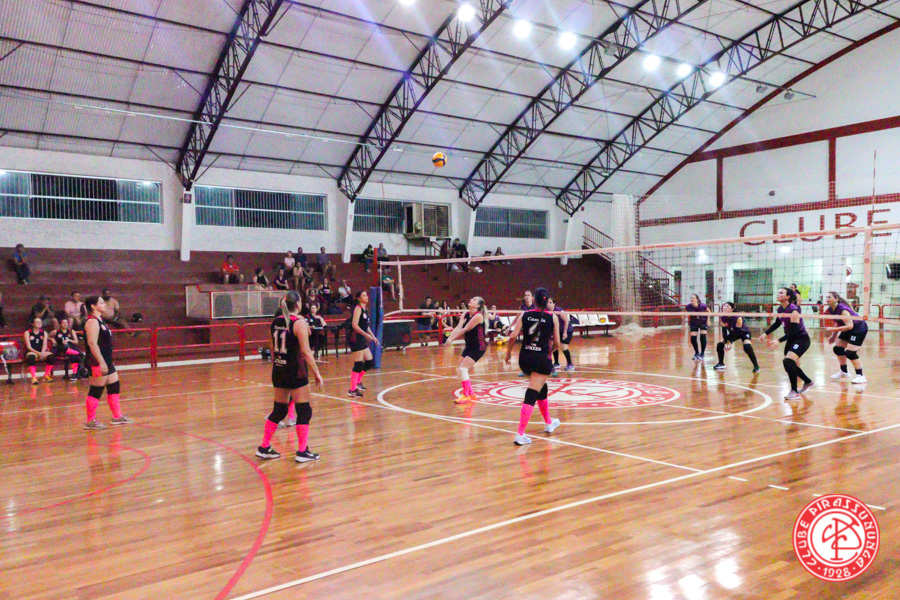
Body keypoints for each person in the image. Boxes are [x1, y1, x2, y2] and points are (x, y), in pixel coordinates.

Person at [255, 291, 324, 462]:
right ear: (298, 304)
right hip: (296, 371)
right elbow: (306, 352)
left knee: (279, 410)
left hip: (279, 369)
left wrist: (279, 365)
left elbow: (272, 349)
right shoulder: (298, 322)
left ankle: (264, 447)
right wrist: (316, 372)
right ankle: (302, 451)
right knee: (304, 410)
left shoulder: (275, 322)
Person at [504, 288, 561, 445]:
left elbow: (513, 337)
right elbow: (557, 343)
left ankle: (549, 423)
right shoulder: (553, 318)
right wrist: (549, 351)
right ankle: (520, 434)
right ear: (547, 302)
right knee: (532, 392)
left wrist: (508, 354)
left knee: (541, 387)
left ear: (534, 300)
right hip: (540, 359)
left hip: (525, 359)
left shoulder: (525, 314)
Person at [82, 295, 134, 429]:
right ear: (93, 306)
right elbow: (92, 344)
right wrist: (101, 362)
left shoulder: (101, 320)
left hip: (107, 360)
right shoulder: (92, 322)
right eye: (101, 303)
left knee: (114, 386)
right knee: (96, 390)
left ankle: (117, 416)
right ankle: (90, 421)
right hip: (97, 361)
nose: (105, 304)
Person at [761, 287, 814, 401]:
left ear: (788, 296)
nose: (778, 294)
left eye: (781, 293)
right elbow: (777, 323)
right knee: (789, 365)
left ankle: (794, 392)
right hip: (791, 340)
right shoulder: (780, 308)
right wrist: (766, 333)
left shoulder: (793, 310)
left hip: (801, 339)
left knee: (788, 361)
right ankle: (807, 381)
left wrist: (779, 340)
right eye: (778, 292)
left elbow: (795, 331)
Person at [445, 296, 488, 404]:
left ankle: (466, 395)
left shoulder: (478, 316)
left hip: (479, 346)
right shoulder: (465, 314)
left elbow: (465, 329)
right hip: (469, 345)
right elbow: (459, 327)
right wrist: (449, 337)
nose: (471, 300)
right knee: (459, 369)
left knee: (463, 369)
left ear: (478, 305)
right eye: (472, 298)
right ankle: (471, 393)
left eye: (474, 300)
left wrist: (452, 339)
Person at [823, 291, 868, 384]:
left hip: (858, 328)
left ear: (836, 299)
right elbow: (838, 321)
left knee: (850, 353)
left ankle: (860, 376)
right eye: (826, 297)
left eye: (829, 297)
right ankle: (844, 372)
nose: (827, 299)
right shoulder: (831, 309)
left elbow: (849, 326)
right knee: (838, 349)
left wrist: (833, 329)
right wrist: (834, 335)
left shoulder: (842, 310)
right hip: (849, 327)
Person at [348, 290, 379, 397]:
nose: (366, 297)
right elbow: (354, 325)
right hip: (355, 338)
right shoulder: (358, 309)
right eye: (364, 295)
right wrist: (366, 335)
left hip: (361, 338)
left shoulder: (365, 309)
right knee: (358, 364)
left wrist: (373, 336)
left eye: (366, 295)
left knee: (369, 361)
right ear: (359, 298)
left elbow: (366, 326)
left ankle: (358, 382)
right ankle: (352, 390)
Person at [713, 302, 760, 373]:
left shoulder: (738, 317)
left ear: (732, 309)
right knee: (720, 344)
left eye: (727, 306)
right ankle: (721, 363)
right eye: (724, 306)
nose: (725, 307)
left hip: (743, 333)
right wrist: (726, 341)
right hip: (733, 333)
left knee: (747, 347)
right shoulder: (722, 318)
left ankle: (756, 366)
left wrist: (730, 341)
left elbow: (738, 331)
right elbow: (724, 331)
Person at [23, 317, 55, 384]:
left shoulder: (44, 332)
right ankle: (34, 377)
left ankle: (46, 375)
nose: (39, 323)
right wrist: (38, 353)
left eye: (40, 322)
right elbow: (28, 346)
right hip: (31, 351)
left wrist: (42, 353)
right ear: (32, 324)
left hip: (41, 350)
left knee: (52, 357)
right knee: (31, 357)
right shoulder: (27, 332)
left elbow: (44, 345)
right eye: (37, 322)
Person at [548, 298, 575, 372]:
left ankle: (570, 364)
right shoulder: (547, 312)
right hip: (557, 330)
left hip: (567, 330)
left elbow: (566, 321)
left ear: (554, 304)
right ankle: (556, 363)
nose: (548, 304)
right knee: (554, 345)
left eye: (550, 302)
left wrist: (565, 332)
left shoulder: (559, 311)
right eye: (547, 302)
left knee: (563, 347)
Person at [685, 294, 711, 361]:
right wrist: (686, 320)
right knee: (693, 338)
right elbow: (686, 314)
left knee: (703, 336)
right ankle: (696, 353)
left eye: (693, 298)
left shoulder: (703, 306)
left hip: (703, 322)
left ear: (697, 299)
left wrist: (708, 320)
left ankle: (702, 353)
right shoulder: (688, 306)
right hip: (694, 322)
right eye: (691, 298)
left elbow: (709, 311)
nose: (692, 299)